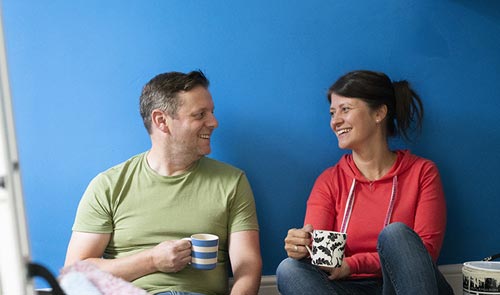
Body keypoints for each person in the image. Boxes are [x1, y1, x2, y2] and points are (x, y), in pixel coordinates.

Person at [64, 70, 262, 295]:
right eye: (200, 115)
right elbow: (75, 272)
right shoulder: (108, 186)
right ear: (162, 121)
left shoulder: (233, 182)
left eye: (212, 113)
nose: (214, 122)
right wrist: (152, 260)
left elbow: (248, 267)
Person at [276, 70, 454, 295]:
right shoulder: (329, 181)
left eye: (345, 109)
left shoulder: (422, 172)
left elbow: (425, 254)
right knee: (289, 269)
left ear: (379, 112)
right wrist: (302, 245)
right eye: (332, 113)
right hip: (346, 288)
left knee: (396, 234)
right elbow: (321, 256)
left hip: (409, 286)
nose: (335, 121)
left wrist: (353, 264)